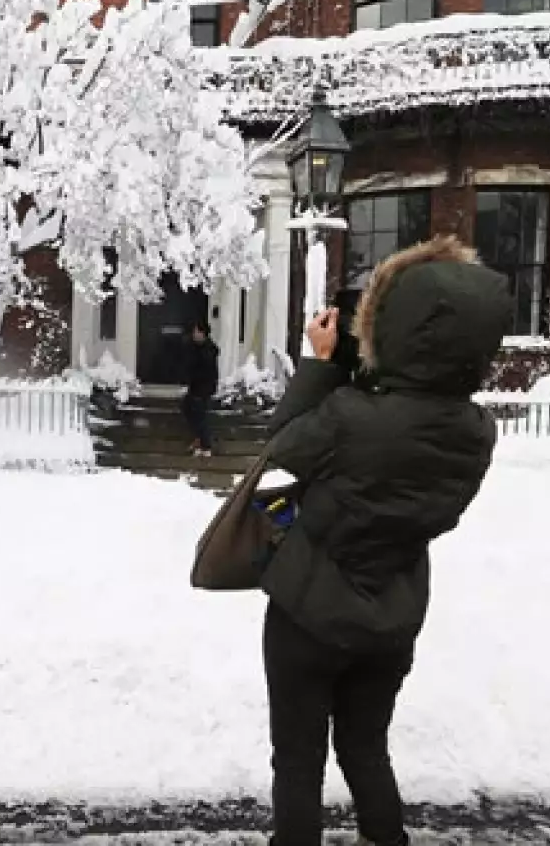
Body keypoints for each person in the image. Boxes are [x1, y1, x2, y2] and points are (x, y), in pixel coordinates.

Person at [258, 236, 513, 846]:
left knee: (298, 761)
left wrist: (321, 364)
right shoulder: (476, 430)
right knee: (366, 751)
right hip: (392, 616)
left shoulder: (348, 413)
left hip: (308, 614)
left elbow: (281, 449)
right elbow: (400, 436)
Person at [181, 320, 220, 457]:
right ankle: (199, 440)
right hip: (196, 387)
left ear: (203, 333)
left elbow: (206, 371)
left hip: (203, 387)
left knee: (200, 416)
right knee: (189, 409)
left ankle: (206, 445)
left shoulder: (207, 350)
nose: (194, 334)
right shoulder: (195, 347)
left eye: (196, 331)